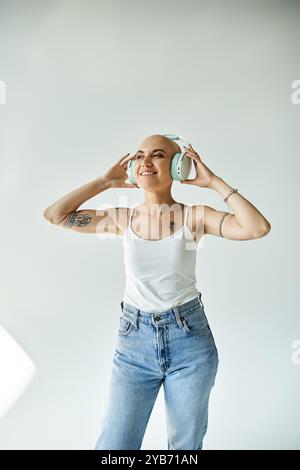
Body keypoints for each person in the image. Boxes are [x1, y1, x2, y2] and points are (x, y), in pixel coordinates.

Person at [43, 134, 271, 450]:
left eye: (159, 155)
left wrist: (214, 182)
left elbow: (256, 228)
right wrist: (104, 182)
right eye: (140, 155)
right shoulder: (123, 218)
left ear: (179, 167)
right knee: (115, 446)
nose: (146, 161)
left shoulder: (196, 216)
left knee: (184, 446)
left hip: (190, 341)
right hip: (134, 343)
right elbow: (56, 216)